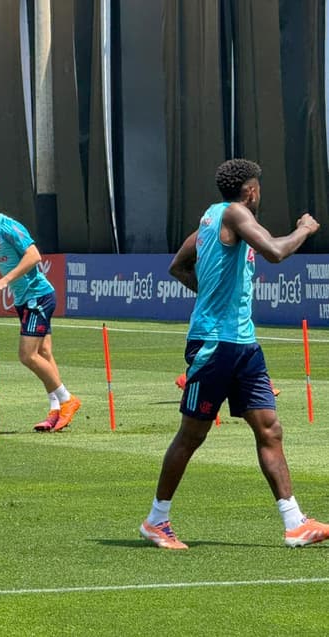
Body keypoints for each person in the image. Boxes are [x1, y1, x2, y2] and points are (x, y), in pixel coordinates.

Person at [140, 158, 328, 549]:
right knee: (192, 435)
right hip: (214, 344)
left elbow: (179, 265)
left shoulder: (211, 219)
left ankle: (295, 522)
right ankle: (156, 521)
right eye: (258, 188)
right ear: (250, 190)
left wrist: (210, 293)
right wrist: (304, 229)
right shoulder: (234, 214)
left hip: (243, 344)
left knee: (269, 428)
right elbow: (276, 252)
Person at [0, 186, 81, 432]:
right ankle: (55, 410)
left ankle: (67, 399)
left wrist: (5, 279)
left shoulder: (9, 228)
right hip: (25, 299)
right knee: (43, 354)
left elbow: (34, 256)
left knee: (27, 355)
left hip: (37, 297)